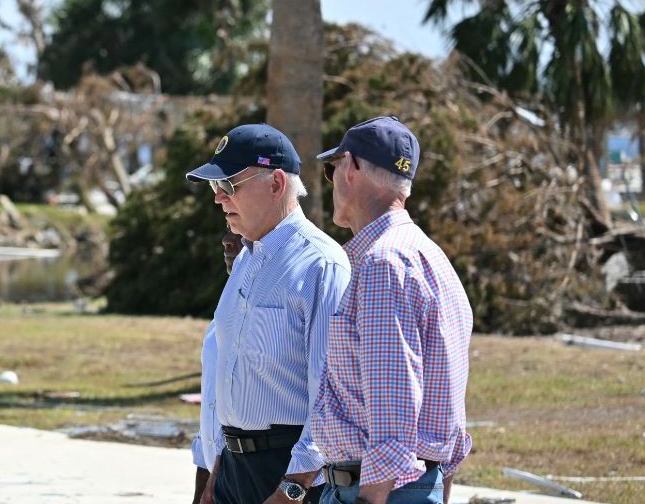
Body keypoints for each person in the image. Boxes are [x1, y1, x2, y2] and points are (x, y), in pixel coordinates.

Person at [186, 124, 351, 504]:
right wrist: (215, 471)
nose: (218, 199)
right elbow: (222, 370)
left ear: (276, 183)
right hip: (232, 471)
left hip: (289, 476)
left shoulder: (321, 265)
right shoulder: (246, 259)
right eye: (215, 188)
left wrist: (291, 490)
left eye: (228, 186)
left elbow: (329, 397)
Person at [312, 116, 473, 504]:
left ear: (350, 167)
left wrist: (371, 498)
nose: (332, 179)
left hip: (376, 492)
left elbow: (393, 411)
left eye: (331, 169)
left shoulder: (383, 263)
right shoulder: (428, 255)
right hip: (403, 487)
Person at [191, 230, 245, 504]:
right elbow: (211, 415)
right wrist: (201, 490)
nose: (226, 239)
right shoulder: (222, 314)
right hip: (220, 484)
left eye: (240, 232)